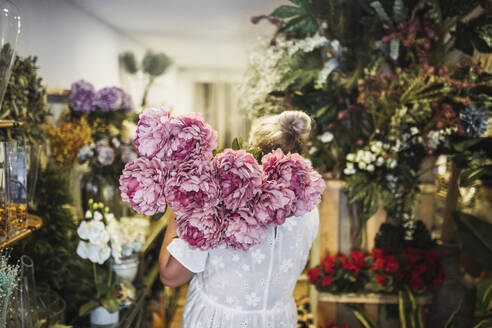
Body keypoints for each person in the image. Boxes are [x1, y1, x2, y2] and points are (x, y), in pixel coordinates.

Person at [159, 111, 320, 328]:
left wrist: (182, 202)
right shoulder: (309, 208)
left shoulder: (222, 204)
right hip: (278, 321)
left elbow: (170, 275)